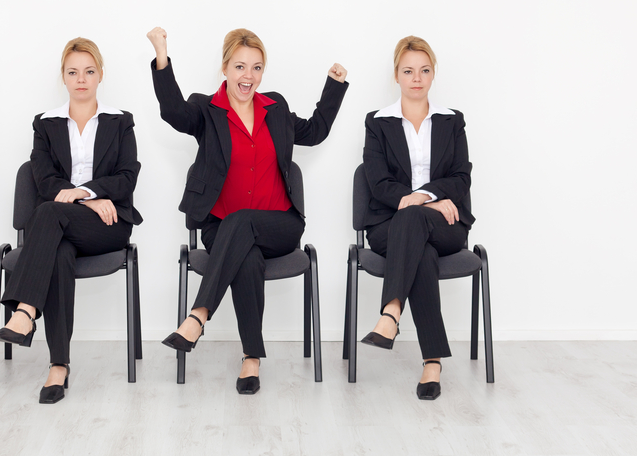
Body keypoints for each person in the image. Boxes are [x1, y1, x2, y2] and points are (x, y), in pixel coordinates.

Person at [148, 26, 348, 394]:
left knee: (245, 225)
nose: (248, 76)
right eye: (240, 67)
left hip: (280, 225)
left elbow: (315, 131)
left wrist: (333, 86)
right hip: (221, 227)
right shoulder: (206, 110)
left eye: (256, 68)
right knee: (247, 254)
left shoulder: (276, 108)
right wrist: (161, 54)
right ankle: (251, 358)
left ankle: (198, 316)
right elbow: (173, 111)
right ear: (224, 69)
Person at [0, 37, 142, 404]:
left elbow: (126, 177)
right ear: (63, 77)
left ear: (100, 75)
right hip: (64, 223)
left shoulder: (120, 122)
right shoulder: (46, 124)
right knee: (57, 251)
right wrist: (89, 199)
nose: (81, 79)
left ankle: (24, 310)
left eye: (89, 71)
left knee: (48, 212)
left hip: (108, 223)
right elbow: (43, 180)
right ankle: (59, 366)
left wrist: (84, 194)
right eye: (73, 72)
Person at [360, 35, 475, 400]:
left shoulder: (451, 121)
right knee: (417, 245)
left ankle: (391, 312)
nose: (417, 78)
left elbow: (461, 176)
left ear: (433, 74)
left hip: (446, 224)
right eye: (408, 71)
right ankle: (432, 362)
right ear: (396, 74)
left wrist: (425, 199)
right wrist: (420, 204)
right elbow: (377, 182)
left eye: (424, 70)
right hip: (389, 226)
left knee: (415, 225)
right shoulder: (377, 122)